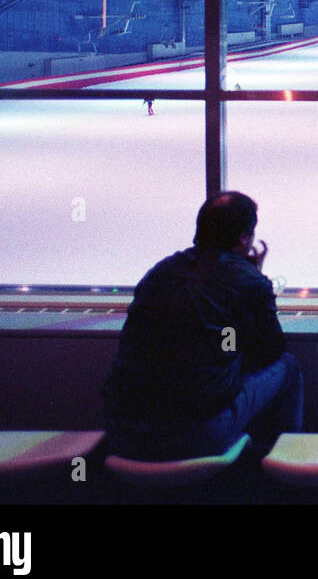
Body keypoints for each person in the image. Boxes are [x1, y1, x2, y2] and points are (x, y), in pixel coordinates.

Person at [101, 192, 303, 460]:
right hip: (195, 436)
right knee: (288, 367)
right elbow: (273, 350)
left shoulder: (160, 272)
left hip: (124, 434)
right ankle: (277, 471)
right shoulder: (247, 279)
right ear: (244, 238)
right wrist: (254, 274)